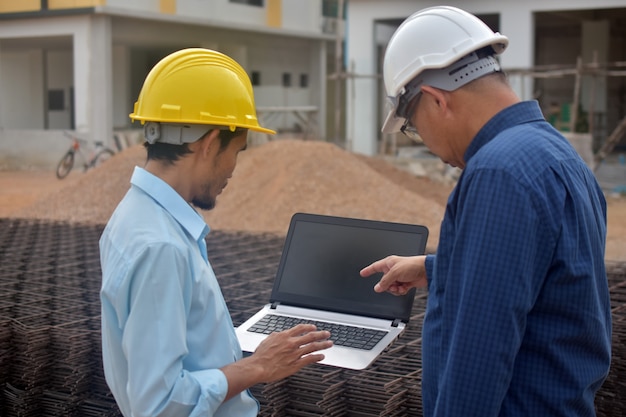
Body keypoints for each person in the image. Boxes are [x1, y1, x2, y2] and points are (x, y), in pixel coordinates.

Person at [361, 6, 611, 417]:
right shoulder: (557, 154)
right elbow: (546, 273)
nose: (427, 145)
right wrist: (436, 267)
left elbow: (479, 354)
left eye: (414, 127)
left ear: (436, 100)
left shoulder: (498, 171)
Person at [99, 48, 332, 417]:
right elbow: (158, 407)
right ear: (208, 143)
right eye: (236, 152)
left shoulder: (135, 216)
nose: (233, 170)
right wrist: (257, 366)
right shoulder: (160, 246)